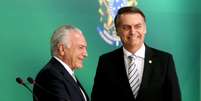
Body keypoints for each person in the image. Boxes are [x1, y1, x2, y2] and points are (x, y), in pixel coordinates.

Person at [91, 6, 181, 101]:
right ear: (117, 31)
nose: (133, 32)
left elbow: (174, 98)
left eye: (138, 26)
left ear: (145, 29)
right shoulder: (106, 61)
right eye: (126, 27)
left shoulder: (164, 60)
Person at [33, 25, 89, 101]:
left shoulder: (65, 74)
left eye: (85, 48)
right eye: (80, 47)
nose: (85, 54)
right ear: (62, 49)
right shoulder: (50, 75)